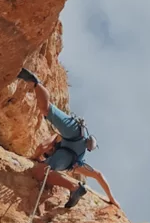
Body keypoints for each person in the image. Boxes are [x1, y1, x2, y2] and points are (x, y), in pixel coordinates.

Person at [18, 67, 118, 209]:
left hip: (75, 134)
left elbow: (42, 147)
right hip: (76, 132)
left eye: (48, 154)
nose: (48, 154)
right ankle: (35, 83)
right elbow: (98, 175)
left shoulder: (60, 145)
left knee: (41, 171)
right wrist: (112, 199)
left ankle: (74, 187)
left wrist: (35, 158)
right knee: (46, 109)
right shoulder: (77, 164)